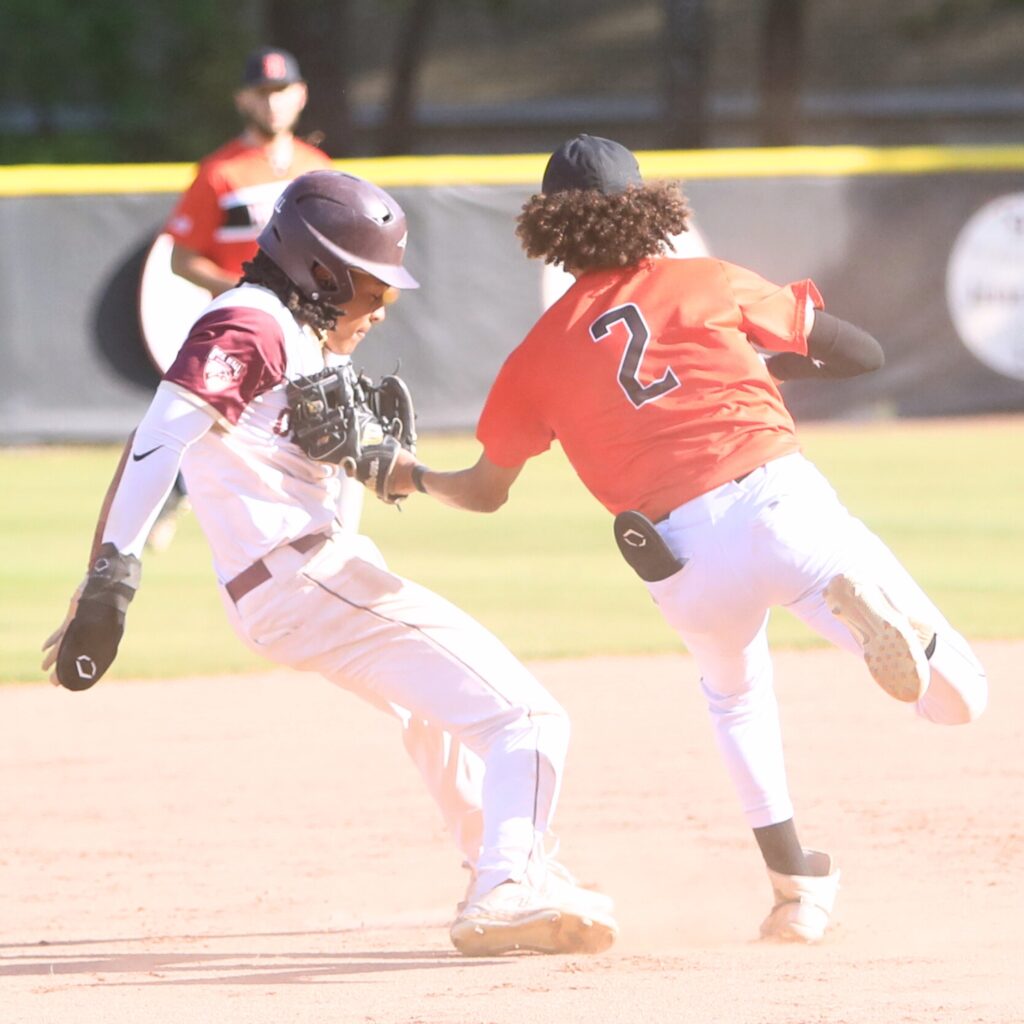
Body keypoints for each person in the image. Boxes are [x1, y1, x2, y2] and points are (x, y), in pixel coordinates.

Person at [378, 134, 990, 943]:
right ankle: (891, 622)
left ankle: (796, 885)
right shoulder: (705, 281)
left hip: (681, 561)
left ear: (549, 232)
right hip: (780, 506)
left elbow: (485, 493)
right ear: (650, 208)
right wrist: (750, 365)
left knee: (735, 697)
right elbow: (861, 354)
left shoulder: (536, 354)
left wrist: (409, 475)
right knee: (958, 703)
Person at [41, 170, 618, 958]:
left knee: (435, 713)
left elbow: (326, 448)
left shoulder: (295, 332)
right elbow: (156, 441)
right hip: (302, 577)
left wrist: (427, 477)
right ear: (319, 271)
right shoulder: (250, 324)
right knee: (530, 718)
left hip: (306, 576)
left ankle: (510, 867)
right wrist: (111, 576)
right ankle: (505, 887)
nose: (382, 307)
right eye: (371, 287)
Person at [151, 45, 357, 551]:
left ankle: (331, 530)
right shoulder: (220, 171)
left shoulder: (316, 167)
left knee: (324, 424)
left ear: (301, 95)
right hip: (244, 327)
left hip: (309, 330)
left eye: (281, 91)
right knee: (207, 424)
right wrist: (245, 289)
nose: (272, 103)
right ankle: (164, 502)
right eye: (262, 93)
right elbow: (182, 258)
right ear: (243, 98)